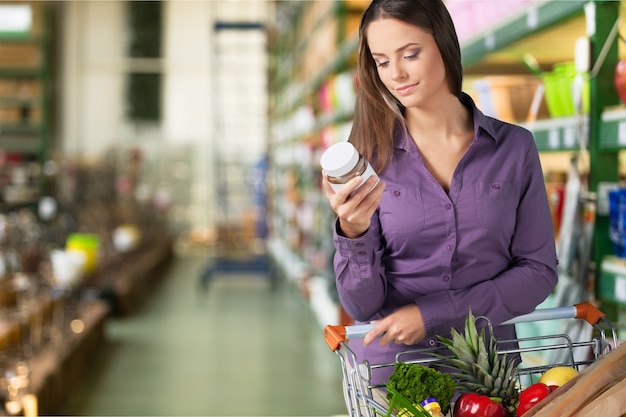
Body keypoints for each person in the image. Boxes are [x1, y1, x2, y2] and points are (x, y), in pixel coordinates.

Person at [321, 0, 558, 385]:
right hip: (395, 377)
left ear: (444, 44)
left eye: (410, 54)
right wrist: (352, 231)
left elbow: (538, 272)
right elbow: (361, 306)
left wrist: (431, 314)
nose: (396, 74)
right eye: (382, 62)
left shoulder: (513, 148)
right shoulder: (370, 158)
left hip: (489, 377)